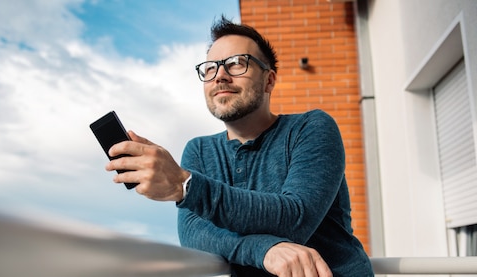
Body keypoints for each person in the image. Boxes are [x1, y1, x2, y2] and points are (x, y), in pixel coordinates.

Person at [106, 16, 373, 277]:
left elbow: (296, 217)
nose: (220, 76)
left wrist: (185, 185)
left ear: (269, 80)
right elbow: (193, 233)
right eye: (210, 67)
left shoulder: (311, 127)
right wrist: (261, 250)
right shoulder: (199, 150)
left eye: (236, 63)